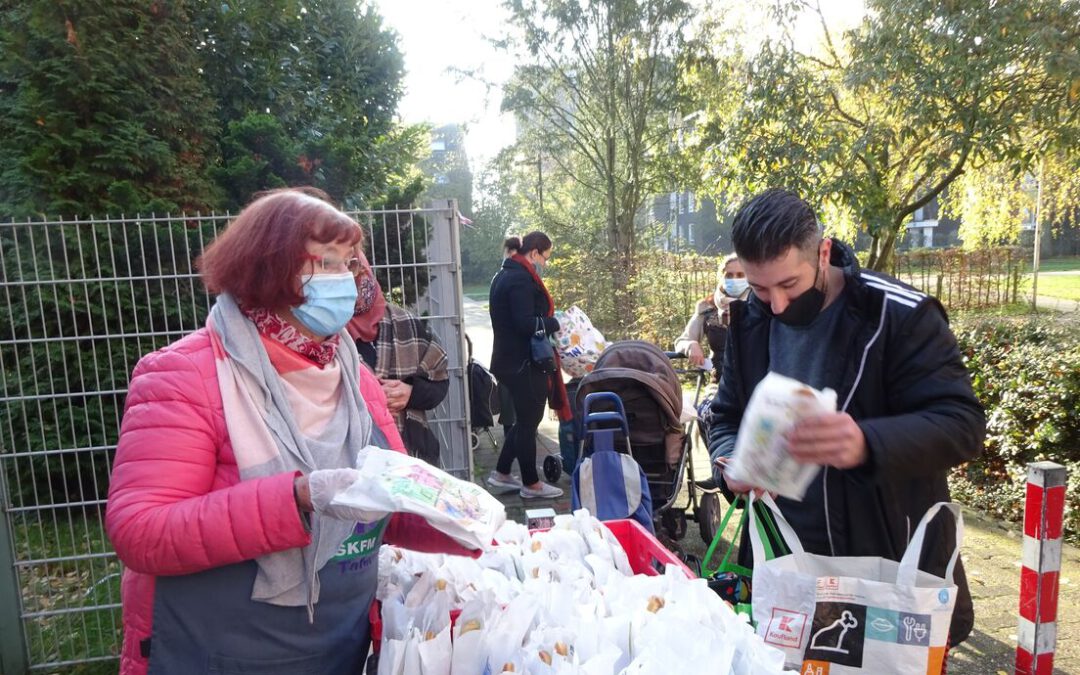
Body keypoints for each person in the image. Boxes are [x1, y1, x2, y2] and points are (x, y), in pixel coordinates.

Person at [105, 188, 474, 675]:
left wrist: (465, 523)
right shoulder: (184, 374)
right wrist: (297, 498)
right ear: (267, 268)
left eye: (349, 262)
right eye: (324, 263)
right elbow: (140, 532)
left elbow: (382, 503)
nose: (344, 279)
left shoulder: (353, 374)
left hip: (340, 646)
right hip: (222, 654)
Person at [708, 188, 984, 648]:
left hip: (886, 563)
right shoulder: (748, 320)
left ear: (823, 251)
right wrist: (729, 461)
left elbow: (963, 425)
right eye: (759, 288)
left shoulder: (897, 315)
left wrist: (866, 443)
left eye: (789, 285)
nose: (775, 304)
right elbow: (725, 415)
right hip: (785, 564)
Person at [486, 231, 570, 499]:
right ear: (534, 253)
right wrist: (554, 322)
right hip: (523, 362)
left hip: (507, 359)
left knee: (524, 421)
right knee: (529, 423)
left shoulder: (502, 274)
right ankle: (531, 484)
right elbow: (524, 324)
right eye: (545, 258)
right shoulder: (521, 279)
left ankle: (501, 474)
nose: (544, 264)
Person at [346, 252, 449, 467]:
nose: (357, 278)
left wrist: (411, 393)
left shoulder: (405, 322)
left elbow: (439, 381)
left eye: (357, 267)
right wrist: (369, 401)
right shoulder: (322, 336)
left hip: (413, 457)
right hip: (354, 466)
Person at [674, 252, 749, 382]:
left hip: (757, 387)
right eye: (729, 275)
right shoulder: (708, 308)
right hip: (719, 386)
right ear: (722, 277)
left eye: (740, 275)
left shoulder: (761, 306)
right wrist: (691, 345)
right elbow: (682, 341)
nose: (734, 279)